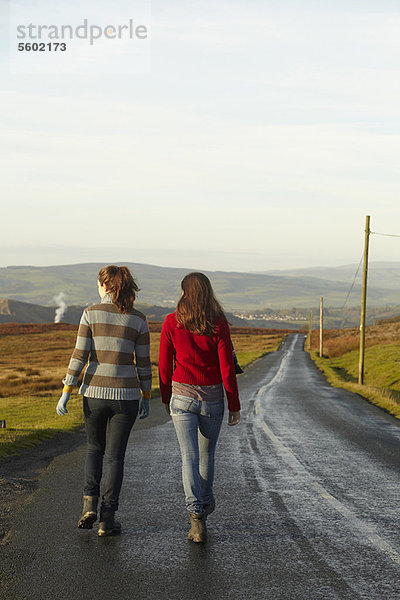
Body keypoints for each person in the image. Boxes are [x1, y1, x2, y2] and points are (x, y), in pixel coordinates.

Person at [56, 265, 152, 536]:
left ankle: (89, 506)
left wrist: (67, 391)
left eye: (100, 284)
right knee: (115, 458)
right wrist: (146, 396)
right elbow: (144, 364)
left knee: (94, 449)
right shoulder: (139, 319)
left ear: (107, 286)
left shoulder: (90, 314)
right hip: (127, 396)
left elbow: (79, 356)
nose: (98, 288)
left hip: (94, 394)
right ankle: (107, 520)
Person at [159, 272, 240, 543]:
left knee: (188, 457)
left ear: (184, 293)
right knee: (207, 457)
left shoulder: (171, 322)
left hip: (180, 398)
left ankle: (196, 517)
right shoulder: (218, 324)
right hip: (212, 399)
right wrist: (234, 405)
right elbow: (227, 369)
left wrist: (165, 396)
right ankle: (203, 506)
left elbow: (163, 364)